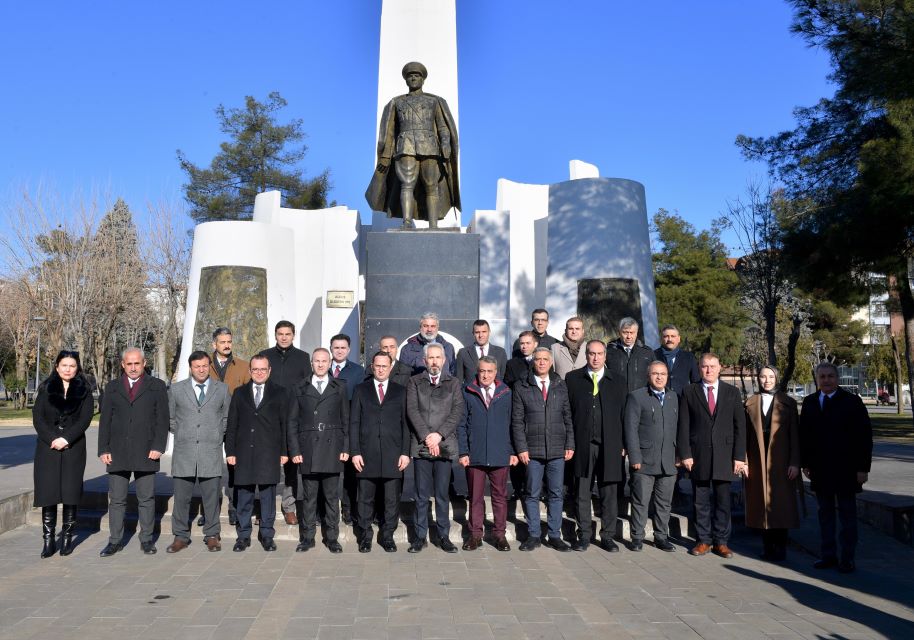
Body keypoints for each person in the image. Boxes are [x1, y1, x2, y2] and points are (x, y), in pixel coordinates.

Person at [366, 61, 460, 228]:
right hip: (405, 146)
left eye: (417, 76)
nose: (413, 79)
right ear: (406, 80)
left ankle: (433, 225)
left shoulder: (435, 101)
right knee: (407, 183)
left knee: (431, 185)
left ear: (423, 79)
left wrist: (446, 144)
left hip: (430, 146)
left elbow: (443, 127)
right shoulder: (396, 102)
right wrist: (386, 156)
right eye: (410, 76)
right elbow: (389, 131)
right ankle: (407, 222)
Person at [800, 362, 873, 573]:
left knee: (848, 516)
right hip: (820, 470)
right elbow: (804, 435)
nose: (826, 380)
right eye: (822, 376)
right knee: (825, 515)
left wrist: (863, 468)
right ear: (817, 379)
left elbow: (864, 437)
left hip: (847, 470)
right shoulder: (810, 402)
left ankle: (847, 558)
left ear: (837, 378)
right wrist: (806, 463)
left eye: (830, 376)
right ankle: (828, 555)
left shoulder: (852, 402)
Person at [97, 347, 169, 557]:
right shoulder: (112, 387)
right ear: (123, 365)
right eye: (129, 364)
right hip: (117, 452)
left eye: (137, 363)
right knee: (117, 499)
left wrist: (158, 446)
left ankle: (146, 539)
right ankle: (115, 541)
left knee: (146, 498)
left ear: (144, 363)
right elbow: (105, 421)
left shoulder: (157, 386)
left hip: (146, 451)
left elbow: (162, 419)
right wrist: (103, 449)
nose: (133, 367)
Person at [677, 353, 747, 558]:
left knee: (723, 501)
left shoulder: (732, 392)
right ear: (699, 369)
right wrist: (685, 454)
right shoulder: (689, 391)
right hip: (698, 454)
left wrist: (739, 457)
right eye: (704, 366)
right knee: (701, 501)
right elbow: (684, 425)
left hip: (725, 455)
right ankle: (703, 540)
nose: (708, 370)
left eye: (712, 366)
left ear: (720, 368)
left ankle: (721, 542)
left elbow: (739, 427)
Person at [566, 340, 627, 552]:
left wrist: (624, 444)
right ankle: (583, 535)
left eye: (599, 354)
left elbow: (624, 416)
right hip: (583, 444)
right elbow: (568, 414)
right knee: (582, 491)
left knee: (608, 492)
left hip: (610, 444)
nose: (595, 358)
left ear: (605, 356)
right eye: (591, 353)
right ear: (586, 355)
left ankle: (607, 536)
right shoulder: (573, 379)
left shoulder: (618, 381)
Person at [225, 355, 291, 552]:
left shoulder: (280, 393)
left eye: (263, 369)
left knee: (267, 498)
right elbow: (232, 425)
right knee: (243, 497)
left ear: (269, 370)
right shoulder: (239, 393)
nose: (259, 373)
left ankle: (267, 535)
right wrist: (230, 451)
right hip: (243, 453)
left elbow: (285, 424)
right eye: (255, 369)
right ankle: (243, 536)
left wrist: (284, 451)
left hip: (268, 454)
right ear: (250, 371)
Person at [166, 351, 230, 553]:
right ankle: (180, 536)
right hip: (184, 451)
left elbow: (227, 418)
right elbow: (170, 418)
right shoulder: (176, 390)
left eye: (204, 366)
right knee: (181, 498)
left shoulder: (221, 389)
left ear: (209, 365)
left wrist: (216, 433)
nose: (201, 370)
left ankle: (212, 535)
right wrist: (184, 432)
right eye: (197, 366)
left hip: (210, 451)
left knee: (211, 497)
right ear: (190, 368)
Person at [512, 347, 575, 551]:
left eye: (545, 359)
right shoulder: (522, 386)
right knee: (532, 493)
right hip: (532, 451)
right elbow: (517, 421)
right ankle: (533, 535)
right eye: (537, 359)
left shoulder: (560, 384)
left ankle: (555, 535)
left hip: (557, 450)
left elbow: (568, 417)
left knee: (556, 494)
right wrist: (521, 447)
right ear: (533, 362)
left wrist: (570, 444)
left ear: (551, 362)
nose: (541, 362)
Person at [32, 350, 94, 558]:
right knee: (47, 492)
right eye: (64, 365)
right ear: (57, 366)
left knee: (70, 492)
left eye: (72, 366)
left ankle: (67, 538)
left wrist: (66, 439)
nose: (68, 369)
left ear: (77, 368)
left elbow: (84, 419)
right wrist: (52, 439)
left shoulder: (84, 390)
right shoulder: (45, 388)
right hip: (47, 447)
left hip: (73, 446)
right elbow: (38, 418)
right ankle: (48, 540)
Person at [288, 348, 349, 554]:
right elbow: (292, 422)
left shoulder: (339, 386)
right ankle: (307, 538)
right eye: (317, 361)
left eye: (324, 361)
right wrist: (295, 449)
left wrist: (346, 447)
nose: (321, 364)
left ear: (330, 363)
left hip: (332, 448)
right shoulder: (300, 387)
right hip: (308, 449)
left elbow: (346, 420)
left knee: (332, 498)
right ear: (311, 363)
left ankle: (332, 538)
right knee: (309, 497)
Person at [406, 343, 465, 553]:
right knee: (421, 494)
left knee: (442, 494)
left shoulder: (454, 383)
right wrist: (427, 436)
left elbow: (457, 411)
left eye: (438, 357)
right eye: (430, 358)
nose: (434, 361)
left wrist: (438, 435)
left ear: (444, 360)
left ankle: (443, 536)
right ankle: (419, 537)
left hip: (445, 445)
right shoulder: (414, 382)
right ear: (424, 361)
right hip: (422, 445)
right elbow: (412, 410)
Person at [350, 352, 412, 553]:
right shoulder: (361, 390)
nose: (381, 369)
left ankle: (387, 536)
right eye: (377, 366)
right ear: (372, 366)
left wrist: (405, 452)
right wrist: (355, 452)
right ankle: (365, 536)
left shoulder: (401, 391)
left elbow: (406, 425)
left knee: (391, 500)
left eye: (385, 366)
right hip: (366, 455)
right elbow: (354, 423)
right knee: (365, 499)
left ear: (391, 366)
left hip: (394, 455)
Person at [744, 365, 801, 562]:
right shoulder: (750, 402)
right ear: (758, 378)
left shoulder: (789, 403)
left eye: (770, 376)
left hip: (782, 461)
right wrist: (744, 461)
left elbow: (795, 435)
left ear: (776, 378)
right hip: (757, 460)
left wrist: (795, 462)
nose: (766, 380)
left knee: (781, 505)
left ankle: (781, 548)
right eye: (762, 376)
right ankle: (767, 548)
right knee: (761, 503)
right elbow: (744, 435)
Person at [458, 356, 515, 551]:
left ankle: (499, 535)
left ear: (496, 372)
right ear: (477, 371)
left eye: (490, 371)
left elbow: (513, 423)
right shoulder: (468, 391)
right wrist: (464, 451)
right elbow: (462, 424)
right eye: (482, 371)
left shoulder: (506, 393)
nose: (485, 375)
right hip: (475, 455)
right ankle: (475, 535)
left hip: (500, 454)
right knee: (475, 497)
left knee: (500, 497)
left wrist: (513, 451)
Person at [259, 320, 311, 527]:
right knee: (266, 465)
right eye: (280, 333)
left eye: (287, 334)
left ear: (293, 335)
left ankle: (289, 507)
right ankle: (265, 507)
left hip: (292, 417)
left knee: (290, 465)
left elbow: (306, 387)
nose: (283, 337)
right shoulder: (265, 356)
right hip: (268, 417)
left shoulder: (302, 358)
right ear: (275, 335)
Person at [624, 361, 679, 552]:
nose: (659, 377)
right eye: (655, 374)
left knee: (664, 503)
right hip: (644, 460)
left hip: (669, 461)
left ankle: (661, 537)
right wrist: (635, 457)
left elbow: (680, 429)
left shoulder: (673, 397)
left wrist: (679, 455)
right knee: (640, 501)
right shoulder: (637, 397)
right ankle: (637, 537)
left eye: (663, 374)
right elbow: (630, 429)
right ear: (648, 376)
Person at [209, 327, 251, 527]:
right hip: (210, 424)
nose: (226, 345)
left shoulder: (243, 367)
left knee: (235, 467)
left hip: (235, 424)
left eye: (229, 341)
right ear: (214, 344)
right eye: (222, 342)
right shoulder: (204, 366)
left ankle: (235, 507)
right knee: (210, 468)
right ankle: (210, 509)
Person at [329, 333, 365, 529]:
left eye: (343, 347)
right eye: (336, 347)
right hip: (326, 430)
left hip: (348, 427)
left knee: (350, 473)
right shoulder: (323, 369)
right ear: (331, 349)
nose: (340, 350)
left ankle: (348, 508)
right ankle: (325, 509)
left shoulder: (358, 372)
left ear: (349, 350)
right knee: (328, 471)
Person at [607, 317, 655, 393]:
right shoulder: (609, 351)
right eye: (625, 332)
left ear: (637, 333)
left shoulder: (647, 352)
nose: (629, 336)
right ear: (619, 332)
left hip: (641, 398)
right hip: (616, 396)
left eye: (632, 332)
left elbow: (654, 375)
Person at [654, 325, 700, 394]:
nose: (669, 339)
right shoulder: (653, 355)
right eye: (666, 336)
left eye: (673, 336)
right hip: (658, 399)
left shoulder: (689, 357)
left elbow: (695, 381)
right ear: (661, 339)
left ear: (679, 339)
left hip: (682, 400)